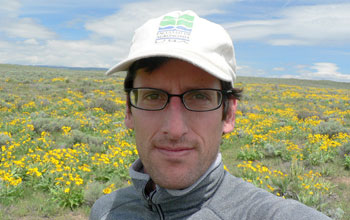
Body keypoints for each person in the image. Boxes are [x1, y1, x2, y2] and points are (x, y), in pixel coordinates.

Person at [90, 10, 331, 220]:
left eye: (199, 96)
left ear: (228, 114)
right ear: (129, 111)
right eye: (153, 96)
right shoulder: (105, 211)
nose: (174, 130)